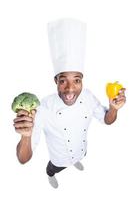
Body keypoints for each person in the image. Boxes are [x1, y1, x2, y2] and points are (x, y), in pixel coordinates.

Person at [13, 19, 126, 189]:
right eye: (63, 80)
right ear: (55, 81)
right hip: (58, 159)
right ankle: (50, 174)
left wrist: (113, 109)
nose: (70, 89)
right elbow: (23, 159)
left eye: (77, 80)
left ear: (82, 81)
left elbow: (107, 120)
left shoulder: (88, 97)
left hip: (82, 151)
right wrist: (26, 136)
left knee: (81, 156)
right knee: (53, 168)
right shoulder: (43, 108)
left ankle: (76, 161)